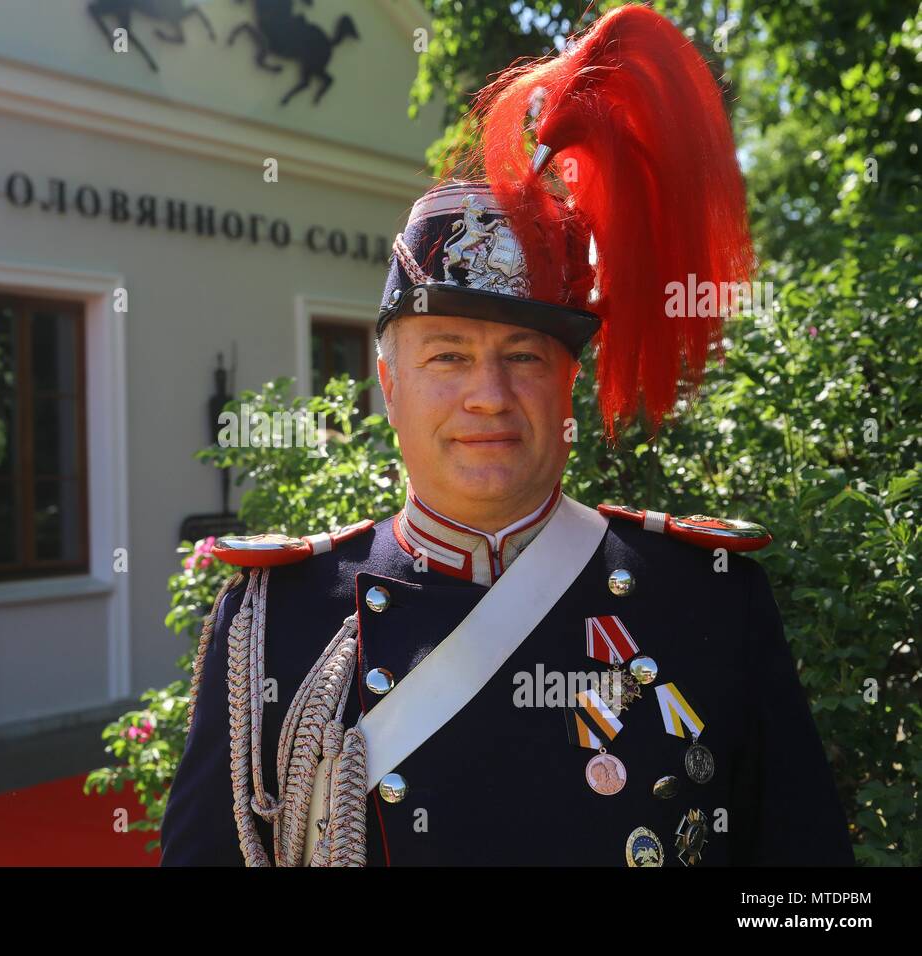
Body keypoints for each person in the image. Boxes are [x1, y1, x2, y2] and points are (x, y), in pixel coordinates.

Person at [159, 5, 854, 866]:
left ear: (568, 382)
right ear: (388, 383)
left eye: (523, 356)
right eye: (447, 356)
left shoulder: (708, 598)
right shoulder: (274, 620)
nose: (487, 396)